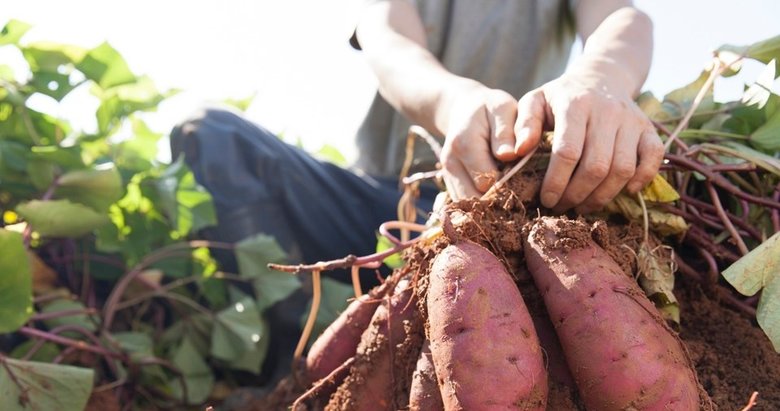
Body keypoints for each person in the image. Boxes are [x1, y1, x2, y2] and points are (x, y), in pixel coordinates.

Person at [171, 0, 662, 385]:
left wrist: (600, 81)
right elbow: (387, 38)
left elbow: (621, 17)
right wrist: (455, 103)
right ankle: (298, 369)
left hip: (504, 207)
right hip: (386, 204)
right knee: (210, 134)